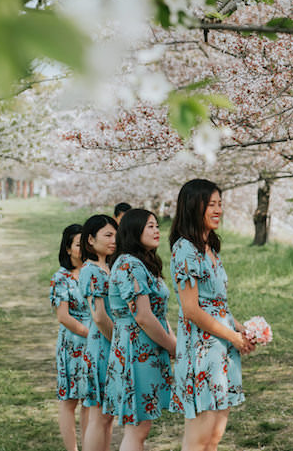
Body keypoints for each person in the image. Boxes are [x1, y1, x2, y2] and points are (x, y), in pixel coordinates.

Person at [169, 179, 255, 451]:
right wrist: (233, 336)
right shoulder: (185, 249)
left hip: (222, 347)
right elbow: (191, 309)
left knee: (214, 438)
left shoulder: (211, 248)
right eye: (212, 204)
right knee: (198, 440)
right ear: (195, 206)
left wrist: (241, 330)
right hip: (201, 351)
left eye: (221, 204)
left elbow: (217, 303)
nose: (219, 210)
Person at [103, 209, 176, 451]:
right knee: (138, 428)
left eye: (157, 226)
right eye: (150, 226)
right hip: (136, 350)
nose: (157, 231)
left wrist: (170, 341)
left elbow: (158, 312)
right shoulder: (128, 265)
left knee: (141, 427)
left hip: (148, 347)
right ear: (134, 231)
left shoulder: (142, 262)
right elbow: (143, 317)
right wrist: (171, 345)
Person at [49, 223, 91, 451]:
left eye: (85, 243)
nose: (82, 248)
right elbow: (63, 316)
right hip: (73, 344)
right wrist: (90, 333)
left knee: (89, 399)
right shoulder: (61, 277)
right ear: (67, 249)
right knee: (69, 400)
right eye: (77, 244)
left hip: (94, 344)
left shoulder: (92, 271)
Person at [78, 215, 118, 451]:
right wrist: (120, 343)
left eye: (115, 235)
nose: (114, 240)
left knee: (108, 415)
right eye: (108, 235)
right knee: (99, 416)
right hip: (103, 344)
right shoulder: (91, 271)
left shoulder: (110, 267)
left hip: (111, 343)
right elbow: (99, 316)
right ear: (90, 240)